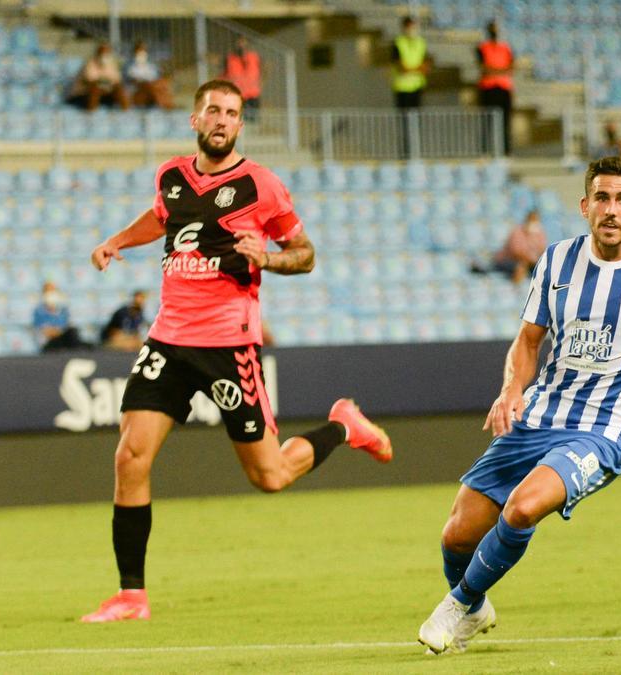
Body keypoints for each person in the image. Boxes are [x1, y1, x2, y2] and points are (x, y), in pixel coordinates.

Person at [79, 80, 393, 624]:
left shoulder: (261, 186)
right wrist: (116, 242)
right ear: (195, 120)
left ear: (240, 125)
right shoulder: (171, 175)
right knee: (129, 457)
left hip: (229, 344)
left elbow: (306, 253)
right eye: (213, 111)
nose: (222, 119)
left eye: (232, 112)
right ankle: (131, 595)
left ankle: (344, 425)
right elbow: (162, 218)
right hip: (169, 340)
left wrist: (267, 260)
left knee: (268, 476)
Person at [416, 156, 621, 655]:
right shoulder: (555, 261)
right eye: (603, 198)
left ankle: (456, 605)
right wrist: (511, 390)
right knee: (457, 536)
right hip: (540, 415)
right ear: (584, 205)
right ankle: (476, 606)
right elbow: (528, 342)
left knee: (524, 507)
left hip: (604, 431)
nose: (611, 210)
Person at [391, 16, 430, 157]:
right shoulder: (398, 43)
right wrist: (416, 69)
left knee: (416, 122)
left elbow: (425, 67)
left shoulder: (421, 43)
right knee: (404, 123)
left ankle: (416, 152)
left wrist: (411, 69)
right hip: (402, 88)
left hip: (417, 87)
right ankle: (405, 153)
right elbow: (401, 68)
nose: (411, 30)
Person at [476, 20, 514, 154]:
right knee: (487, 120)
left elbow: (511, 67)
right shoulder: (482, 47)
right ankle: (486, 149)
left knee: (505, 121)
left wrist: (495, 71)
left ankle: (505, 150)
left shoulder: (505, 48)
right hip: (488, 88)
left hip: (504, 88)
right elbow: (483, 68)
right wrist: (500, 71)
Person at [483, 209, 548, 283]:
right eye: (532, 219)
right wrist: (531, 259)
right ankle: (514, 289)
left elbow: (542, 250)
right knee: (520, 267)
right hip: (508, 261)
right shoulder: (517, 231)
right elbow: (517, 252)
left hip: (530, 262)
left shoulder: (540, 233)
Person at [67, 42, 129, 111]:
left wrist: (108, 83)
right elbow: (90, 80)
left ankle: (125, 110)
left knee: (118, 89)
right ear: (98, 53)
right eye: (102, 52)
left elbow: (116, 80)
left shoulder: (111, 65)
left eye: (106, 53)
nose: (104, 55)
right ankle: (90, 112)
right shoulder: (90, 63)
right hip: (82, 95)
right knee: (95, 88)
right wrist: (106, 82)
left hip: (103, 94)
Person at [33, 281, 91, 352]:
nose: (51, 294)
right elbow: (46, 332)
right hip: (49, 344)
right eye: (48, 291)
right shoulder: (39, 311)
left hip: (63, 341)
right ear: (44, 293)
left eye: (53, 290)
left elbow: (68, 327)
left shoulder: (63, 310)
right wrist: (59, 332)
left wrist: (61, 332)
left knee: (73, 332)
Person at [125, 41, 174, 110]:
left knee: (162, 84)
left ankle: (166, 104)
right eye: (139, 50)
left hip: (152, 88)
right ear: (135, 52)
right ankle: (166, 105)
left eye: (143, 50)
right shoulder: (129, 66)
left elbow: (157, 77)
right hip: (139, 92)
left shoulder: (151, 66)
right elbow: (133, 81)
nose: (142, 53)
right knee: (151, 87)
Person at [222, 37, 262, 119]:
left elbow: (265, 69)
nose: (241, 46)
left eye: (243, 43)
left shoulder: (254, 57)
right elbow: (223, 72)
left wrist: (261, 82)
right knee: (237, 118)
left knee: (253, 119)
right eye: (239, 43)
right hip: (237, 94)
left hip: (253, 94)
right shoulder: (230, 58)